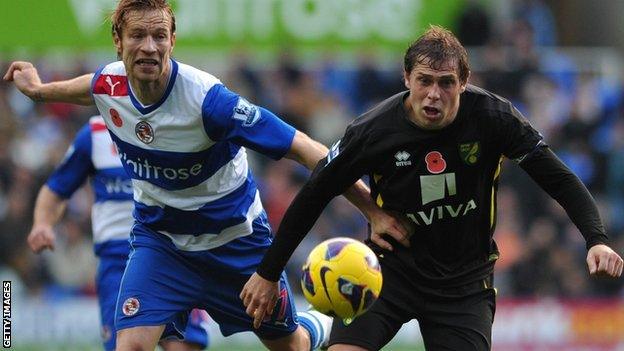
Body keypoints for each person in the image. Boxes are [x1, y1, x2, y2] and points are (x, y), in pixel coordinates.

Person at [3, 1, 406, 350]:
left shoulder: (208, 101)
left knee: (290, 346)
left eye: (159, 36)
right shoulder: (110, 83)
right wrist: (39, 90)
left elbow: (306, 148)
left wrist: (369, 207)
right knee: (132, 346)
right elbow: (88, 88)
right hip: (162, 245)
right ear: (118, 40)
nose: (149, 46)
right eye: (138, 36)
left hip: (235, 244)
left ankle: (312, 328)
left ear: (172, 40)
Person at [240, 25, 624, 351]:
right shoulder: (373, 130)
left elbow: (557, 177)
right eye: (424, 81)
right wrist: (269, 273)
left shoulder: (494, 117)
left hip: (464, 282)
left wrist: (596, 238)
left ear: (464, 82)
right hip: (389, 271)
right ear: (407, 79)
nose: (434, 95)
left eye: (446, 83)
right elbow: (315, 192)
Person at [27, 116, 211, 351]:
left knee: (183, 346)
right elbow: (57, 187)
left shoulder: (173, 122)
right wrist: (42, 223)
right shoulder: (95, 134)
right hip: (118, 262)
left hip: (170, 256)